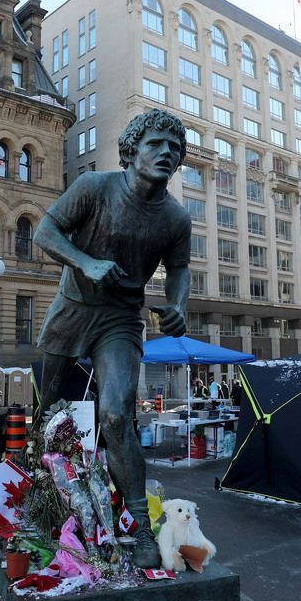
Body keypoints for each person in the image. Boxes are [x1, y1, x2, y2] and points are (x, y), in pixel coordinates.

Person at [34, 108, 191, 568]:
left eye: (174, 148)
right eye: (156, 144)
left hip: (120, 320)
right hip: (72, 309)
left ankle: (142, 528)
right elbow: (47, 231)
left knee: (118, 414)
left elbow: (179, 269)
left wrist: (179, 307)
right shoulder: (94, 188)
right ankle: (44, 502)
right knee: (49, 415)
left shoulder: (175, 219)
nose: (167, 152)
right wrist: (86, 262)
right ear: (131, 151)